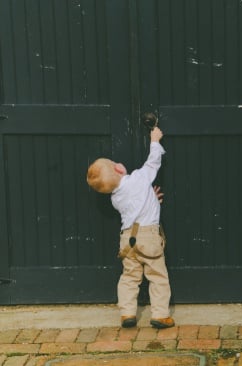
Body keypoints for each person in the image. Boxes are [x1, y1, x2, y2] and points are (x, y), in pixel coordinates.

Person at [86, 127, 174, 329]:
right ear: (118, 169)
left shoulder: (115, 198)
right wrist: (155, 140)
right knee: (157, 276)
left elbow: (135, 205)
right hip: (148, 237)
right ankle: (160, 315)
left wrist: (151, 198)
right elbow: (153, 162)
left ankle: (127, 313)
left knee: (129, 277)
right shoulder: (139, 178)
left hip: (128, 240)